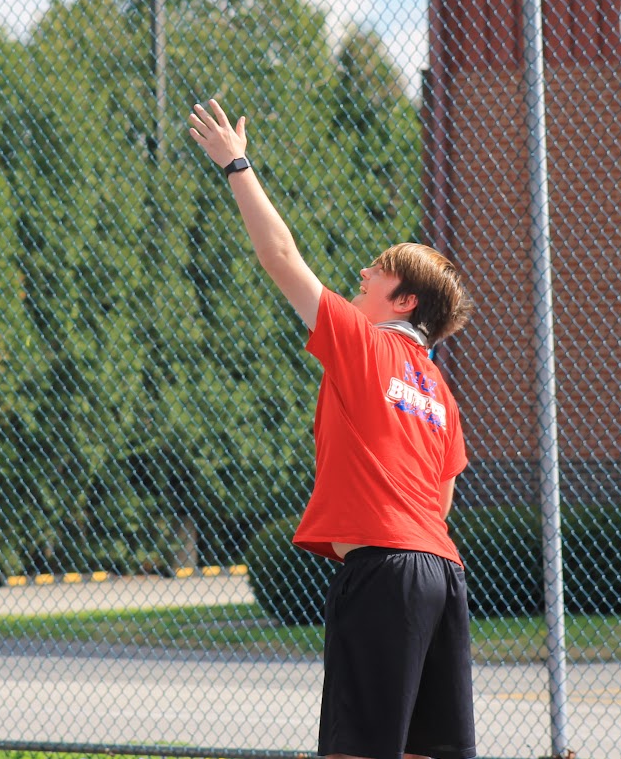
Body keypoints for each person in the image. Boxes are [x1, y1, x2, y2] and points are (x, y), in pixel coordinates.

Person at [188, 99, 477, 759]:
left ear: (403, 301)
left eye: (377, 270)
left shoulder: (364, 344)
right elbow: (441, 501)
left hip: (383, 574)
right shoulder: (439, 389)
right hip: (442, 572)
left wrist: (236, 164)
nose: (363, 274)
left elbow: (280, 255)